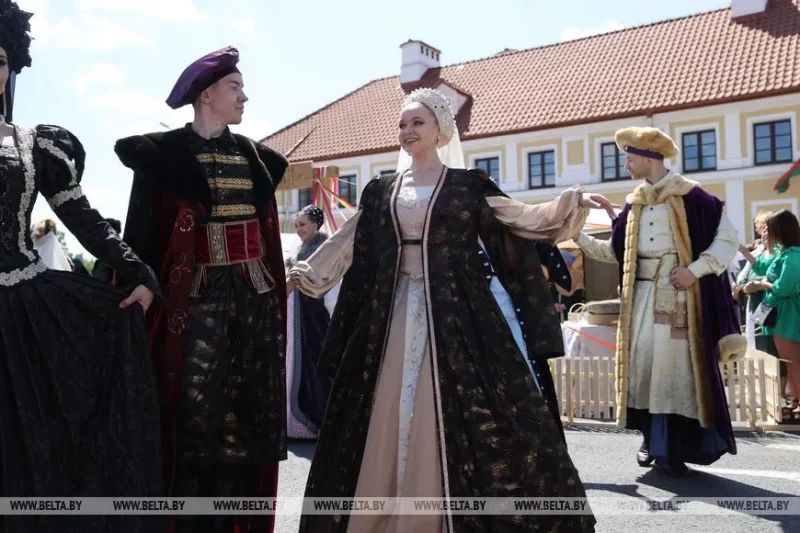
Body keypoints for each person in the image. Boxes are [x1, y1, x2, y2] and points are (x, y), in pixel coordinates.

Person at [288, 87, 616, 533]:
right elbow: (350, 240)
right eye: (402, 124)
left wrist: (571, 203)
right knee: (382, 410)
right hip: (391, 317)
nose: (407, 131)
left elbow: (519, 217)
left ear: (440, 130)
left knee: (481, 413)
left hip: (457, 317)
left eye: (417, 123)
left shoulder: (467, 186)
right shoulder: (381, 188)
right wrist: (307, 271)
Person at [0, 2, 163, 531]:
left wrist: (139, 272)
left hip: (19, 315)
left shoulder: (35, 145)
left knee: (33, 448)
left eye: (0, 58)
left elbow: (83, 219)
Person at [115, 46, 288, 533]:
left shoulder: (260, 160)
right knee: (191, 420)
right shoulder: (161, 157)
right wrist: (141, 284)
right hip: (194, 306)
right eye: (235, 88)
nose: (244, 96)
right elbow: (141, 234)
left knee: (242, 424)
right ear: (206, 94)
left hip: (253, 306)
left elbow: (268, 239)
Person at [576, 126, 745, 477]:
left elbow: (728, 240)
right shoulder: (633, 202)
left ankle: (674, 446)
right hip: (640, 300)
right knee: (645, 368)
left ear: (650, 157)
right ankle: (651, 441)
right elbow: (616, 253)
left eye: (630, 156)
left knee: (676, 372)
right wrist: (574, 233)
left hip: (680, 297)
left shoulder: (694, 198)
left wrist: (695, 271)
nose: (625, 164)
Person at [741, 210, 800, 421]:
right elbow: (761, 265)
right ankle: (795, 402)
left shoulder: (792, 255)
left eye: (770, 230)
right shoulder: (784, 253)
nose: (766, 234)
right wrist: (741, 249)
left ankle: (797, 403)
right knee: (790, 361)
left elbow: (783, 287)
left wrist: (763, 285)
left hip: (788, 315)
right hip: (782, 314)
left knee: (792, 361)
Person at [284, 205, 334, 439]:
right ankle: (302, 423)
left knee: (317, 364)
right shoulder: (301, 250)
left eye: (302, 224)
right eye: (297, 225)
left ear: (316, 224)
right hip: (300, 316)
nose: (299, 230)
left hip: (314, 316)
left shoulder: (323, 250)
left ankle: (320, 419)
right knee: (301, 366)